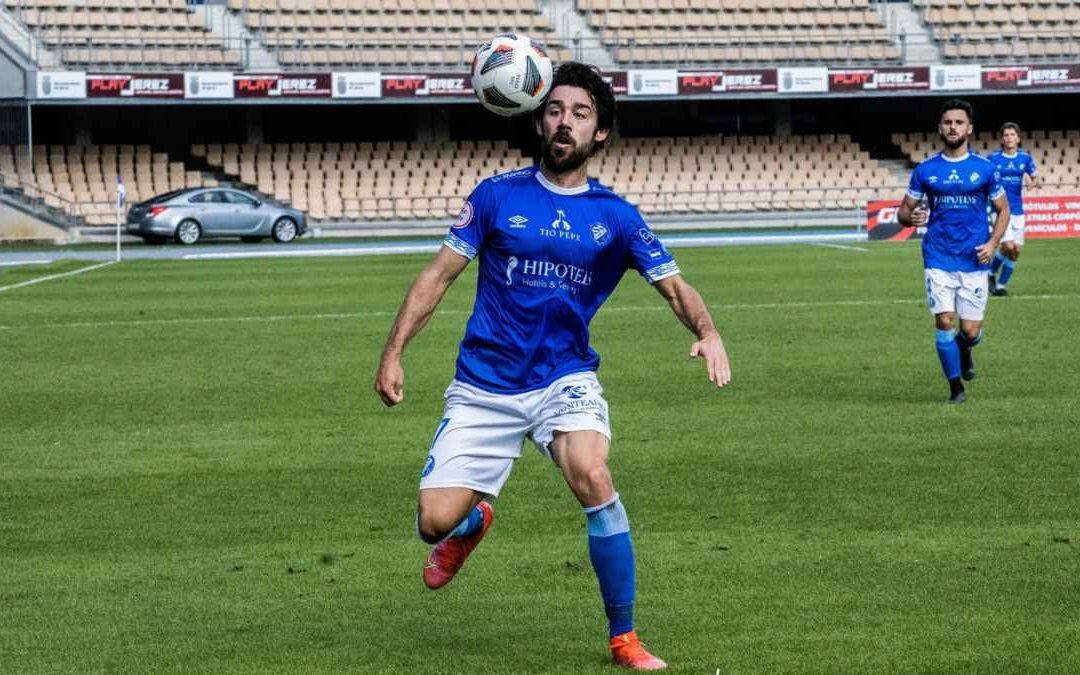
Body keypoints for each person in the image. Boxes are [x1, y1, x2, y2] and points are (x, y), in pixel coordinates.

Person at [374, 62, 731, 671]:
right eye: (557, 110)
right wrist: (394, 352)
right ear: (540, 119)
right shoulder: (495, 196)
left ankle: (624, 638)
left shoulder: (617, 217)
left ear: (600, 137)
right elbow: (437, 277)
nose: (565, 123)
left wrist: (709, 331)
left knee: (592, 473)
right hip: (484, 385)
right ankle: (472, 520)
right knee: (433, 524)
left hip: (563, 378)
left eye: (581, 114)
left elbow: (675, 287)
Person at [897, 99, 1009, 404]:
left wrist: (992, 244)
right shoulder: (926, 170)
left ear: (969, 129)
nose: (953, 127)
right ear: (940, 128)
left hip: (974, 258)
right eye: (948, 122)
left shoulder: (985, 169)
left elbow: (1003, 210)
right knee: (944, 321)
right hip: (938, 256)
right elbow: (902, 213)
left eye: (959, 122)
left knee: (970, 331)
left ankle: (965, 347)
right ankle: (955, 387)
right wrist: (911, 217)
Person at [987, 123, 1042, 296]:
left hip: (1018, 211)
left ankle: (1001, 285)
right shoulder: (993, 158)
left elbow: (1035, 179)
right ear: (1002, 139)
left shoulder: (1025, 159)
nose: (1010, 137)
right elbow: (984, 179)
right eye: (1006, 135)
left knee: (1014, 251)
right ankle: (990, 273)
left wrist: (1030, 183)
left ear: (1018, 138)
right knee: (1008, 246)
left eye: (1012, 134)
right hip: (1000, 210)